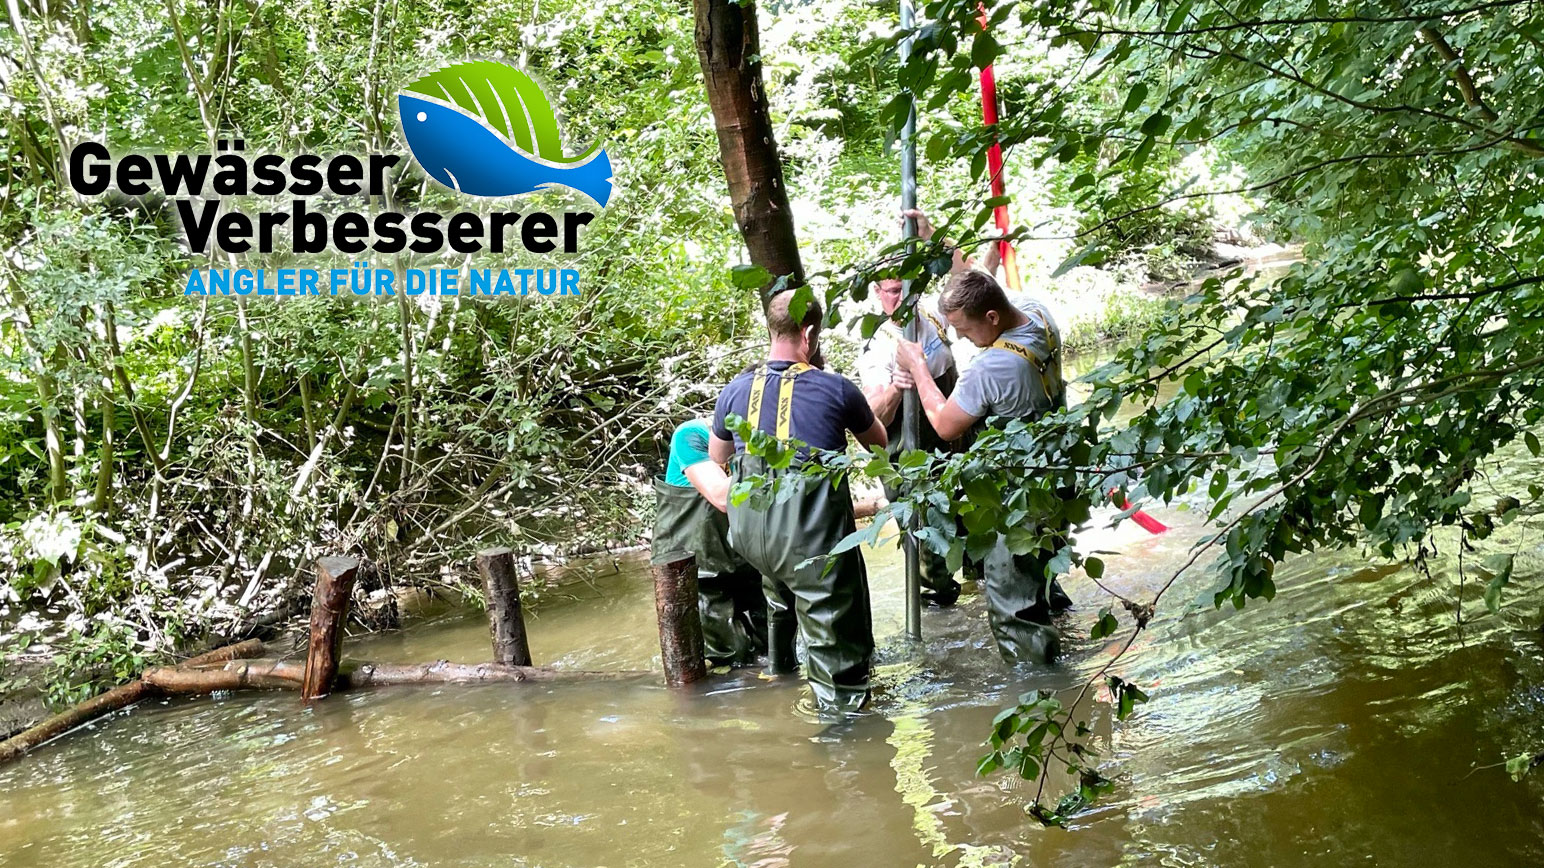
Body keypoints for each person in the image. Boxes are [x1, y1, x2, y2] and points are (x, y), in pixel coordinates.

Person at [708, 290, 888, 715]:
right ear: (809, 334)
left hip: (752, 536)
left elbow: (719, 460)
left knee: (779, 595)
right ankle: (843, 721)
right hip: (809, 537)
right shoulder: (835, 388)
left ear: (770, 330)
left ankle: (780, 674)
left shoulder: (735, 390)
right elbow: (878, 443)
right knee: (833, 640)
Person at [894, 269, 1072, 664]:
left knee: (1015, 609)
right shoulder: (1037, 313)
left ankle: (1039, 691)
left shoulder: (991, 368)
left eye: (963, 328)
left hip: (1017, 496)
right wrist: (935, 244)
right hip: (1057, 473)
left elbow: (943, 424)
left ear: (992, 317)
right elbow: (979, 279)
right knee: (1040, 572)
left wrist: (918, 366)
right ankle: (1065, 633)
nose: (959, 338)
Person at [855, 209, 984, 607]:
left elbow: (973, 282)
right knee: (929, 558)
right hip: (910, 463)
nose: (897, 297)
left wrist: (935, 238)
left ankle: (982, 603)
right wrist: (897, 385)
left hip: (955, 446)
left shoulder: (929, 314)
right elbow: (874, 417)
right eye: (890, 290)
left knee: (980, 537)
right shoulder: (877, 344)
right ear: (878, 292)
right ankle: (943, 633)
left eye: (904, 289)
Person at [651, 418, 768, 667]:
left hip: (747, 563)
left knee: (774, 650)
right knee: (728, 658)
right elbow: (720, 495)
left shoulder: (762, 439)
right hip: (695, 571)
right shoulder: (691, 434)